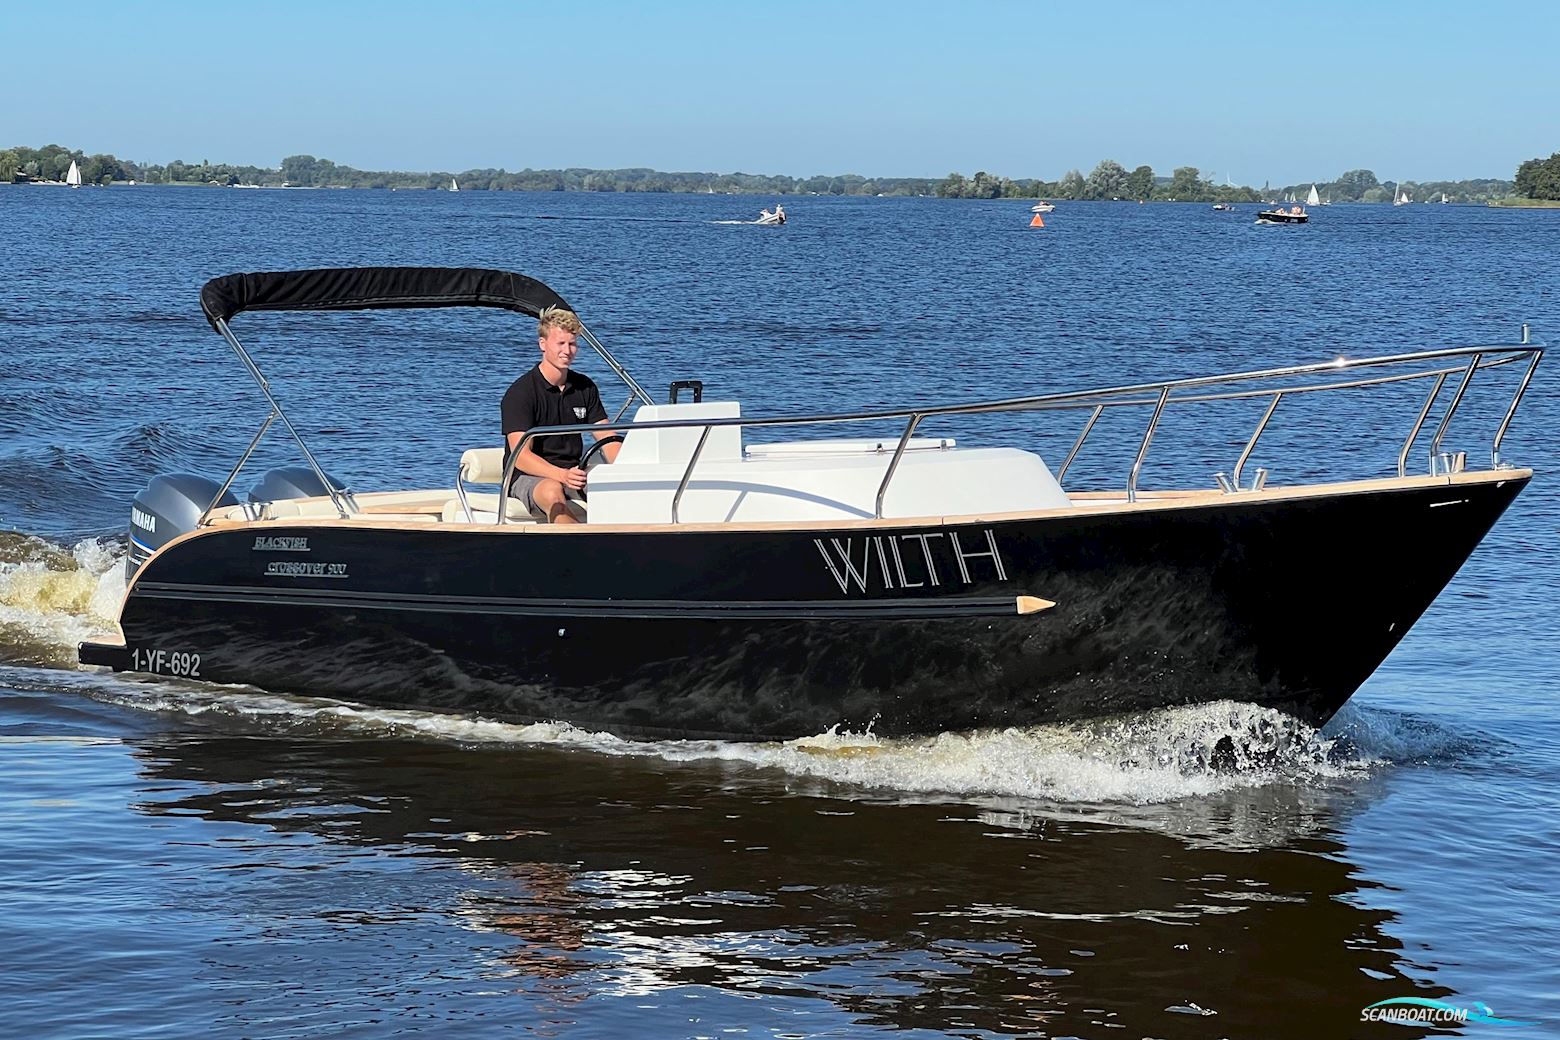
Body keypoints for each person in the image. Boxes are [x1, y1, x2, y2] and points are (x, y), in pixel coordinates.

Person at [500, 306, 619, 523]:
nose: (567, 350)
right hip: (527, 477)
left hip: (573, 471)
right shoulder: (521, 393)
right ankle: (581, 547)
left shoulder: (585, 387)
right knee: (552, 490)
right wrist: (562, 475)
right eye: (560, 344)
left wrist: (632, 470)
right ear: (543, 344)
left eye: (572, 344)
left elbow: (607, 439)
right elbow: (521, 457)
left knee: (619, 485)